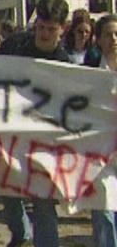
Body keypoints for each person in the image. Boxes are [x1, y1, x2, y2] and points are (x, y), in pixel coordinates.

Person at [0, 0, 70, 247]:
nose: (44, 34)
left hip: (45, 145)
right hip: (10, 137)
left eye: (51, 29)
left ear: (62, 29)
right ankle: (21, 232)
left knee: (44, 202)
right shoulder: (15, 45)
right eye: (41, 27)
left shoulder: (66, 65)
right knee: (7, 193)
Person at [84, 14, 117, 247]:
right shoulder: (87, 73)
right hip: (100, 154)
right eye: (108, 34)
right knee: (103, 212)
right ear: (98, 40)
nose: (114, 39)